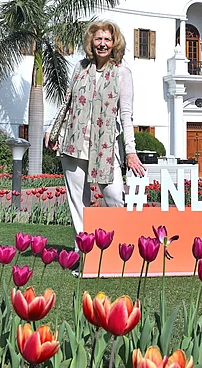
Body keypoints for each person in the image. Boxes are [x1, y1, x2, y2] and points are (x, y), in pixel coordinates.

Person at [45, 21, 146, 237]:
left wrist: (130, 151)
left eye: (107, 40)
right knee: (78, 203)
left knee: (115, 197)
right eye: (98, 39)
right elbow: (68, 103)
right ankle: (83, 254)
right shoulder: (80, 68)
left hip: (106, 148)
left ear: (114, 43)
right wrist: (54, 130)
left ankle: (121, 248)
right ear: (92, 42)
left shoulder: (122, 73)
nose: (102, 44)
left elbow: (126, 115)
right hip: (74, 143)